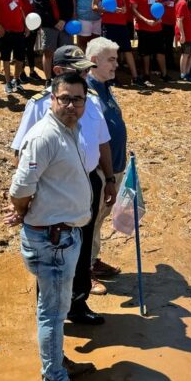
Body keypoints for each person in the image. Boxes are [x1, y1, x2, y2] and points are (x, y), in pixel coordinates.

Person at [8, 71, 99, 381]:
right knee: (52, 314)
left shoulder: (70, 130)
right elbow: (20, 187)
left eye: (78, 99)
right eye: (65, 99)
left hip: (62, 235)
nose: (71, 105)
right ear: (52, 100)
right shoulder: (45, 135)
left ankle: (57, 362)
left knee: (56, 311)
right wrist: (23, 211)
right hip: (52, 239)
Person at [11, 46, 116, 325]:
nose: (85, 74)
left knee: (81, 245)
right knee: (54, 250)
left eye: (86, 70)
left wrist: (109, 179)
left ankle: (77, 304)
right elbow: (22, 153)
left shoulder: (90, 100)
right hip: (53, 187)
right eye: (78, 70)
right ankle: (50, 312)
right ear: (58, 71)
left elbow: (102, 142)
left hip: (89, 181)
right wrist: (26, 196)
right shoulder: (39, 105)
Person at [85, 37, 126, 292]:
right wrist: (107, 174)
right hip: (100, 171)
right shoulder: (86, 92)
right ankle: (83, 271)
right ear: (94, 61)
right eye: (111, 60)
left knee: (100, 217)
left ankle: (91, 259)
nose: (116, 65)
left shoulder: (104, 86)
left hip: (115, 166)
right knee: (89, 220)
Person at [93, 0, 139, 86]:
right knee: (110, 52)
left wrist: (123, 8)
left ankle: (135, 77)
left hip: (121, 23)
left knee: (127, 49)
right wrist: (107, 10)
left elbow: (123, 2)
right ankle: (110, 77)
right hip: (108, 24)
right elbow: (94, 6)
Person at [131, 0, 167, 84]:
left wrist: (159, 18)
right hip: (143, 27)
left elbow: (159, 6)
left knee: (160, 51)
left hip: (157, 27)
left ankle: (164, 75)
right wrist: (146, 20)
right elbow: (134, 9)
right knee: (145, 53)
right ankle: (146, 75)